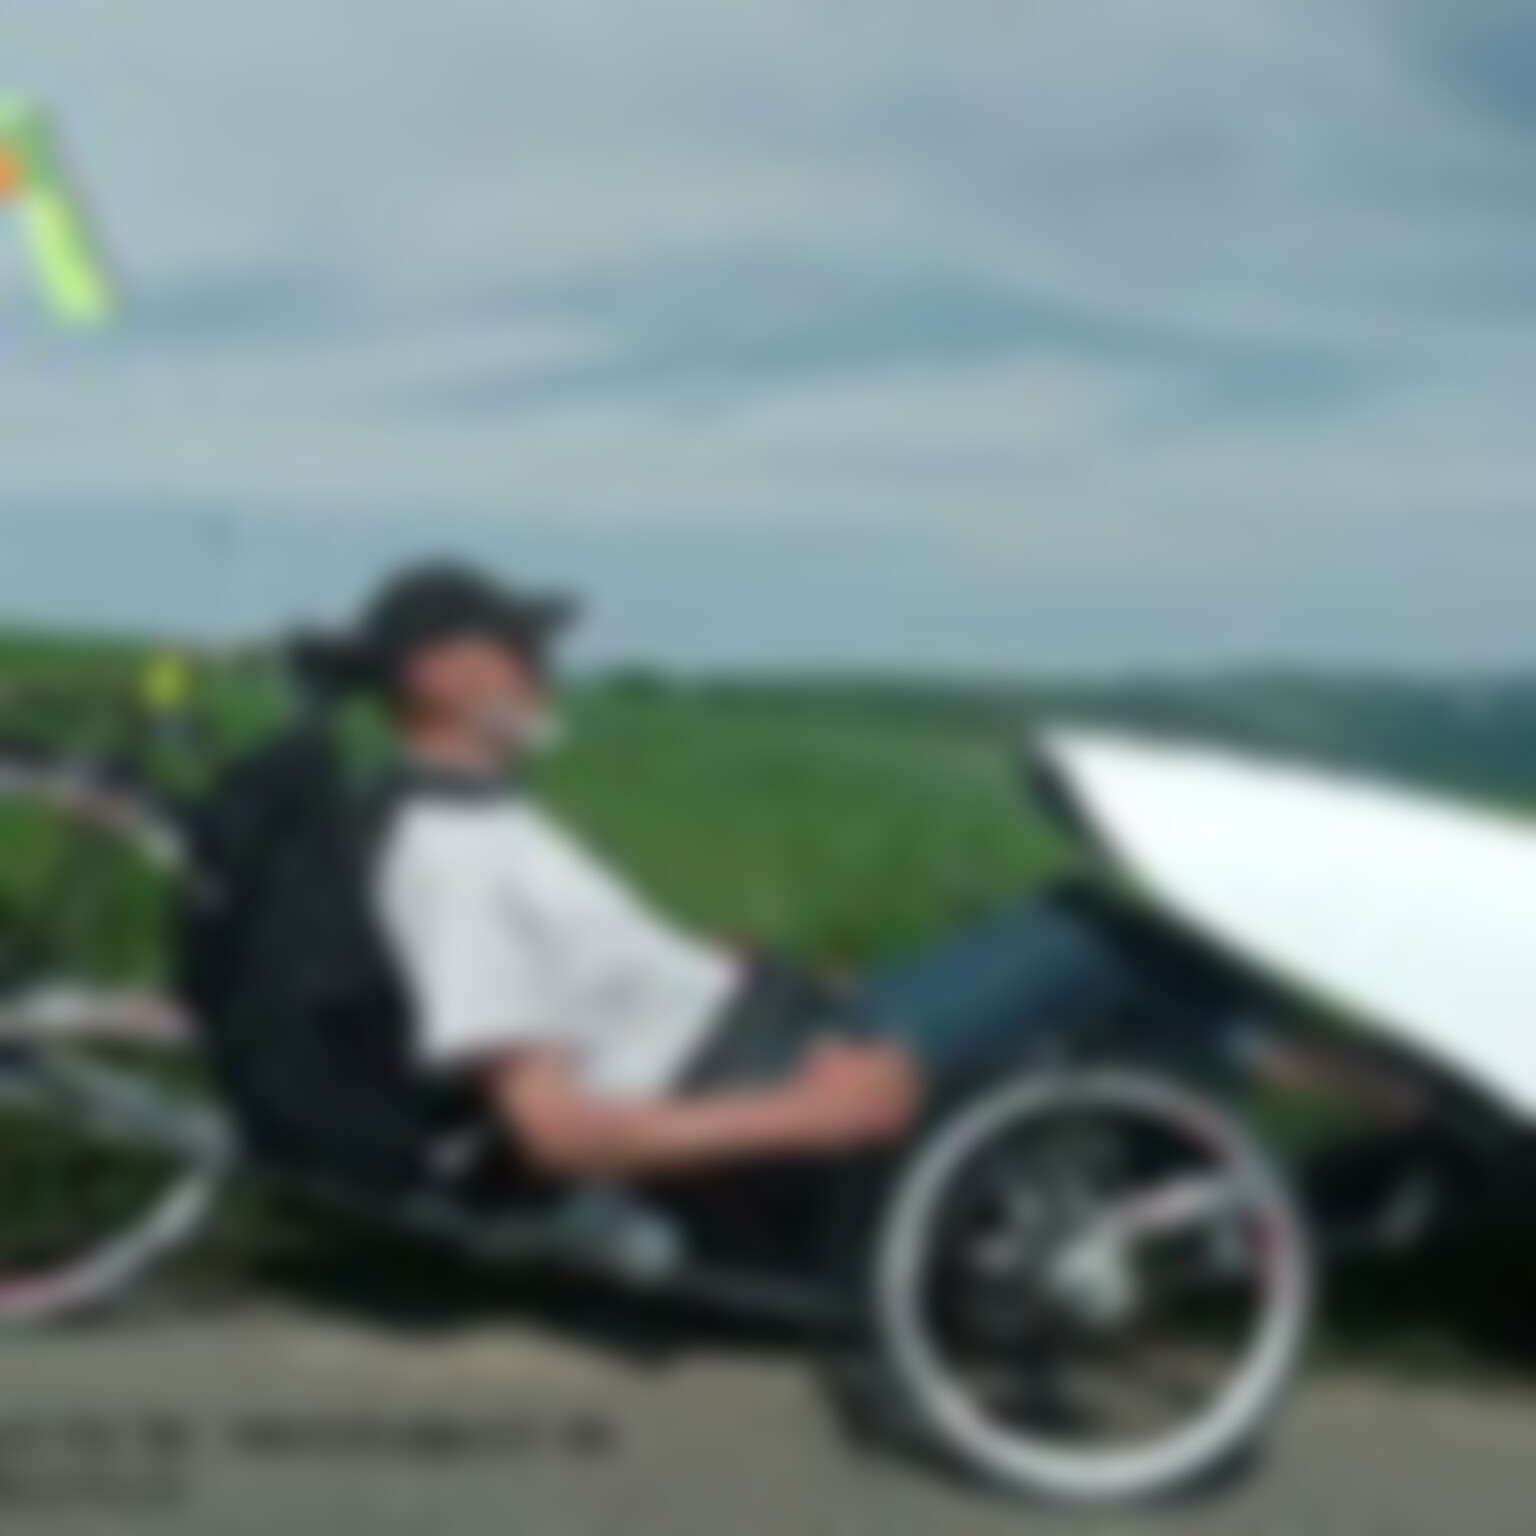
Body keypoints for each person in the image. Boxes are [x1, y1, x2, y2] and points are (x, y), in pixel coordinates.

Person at [350, 562, 1146, 1188]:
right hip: (767, 1077)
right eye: (517, 651)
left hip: (767, 1029)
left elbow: (572, 987)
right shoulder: (448, 858)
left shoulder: (476, 817)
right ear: (434, 676)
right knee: (1098, 934)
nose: (543, 670)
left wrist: (693, 968)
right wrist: (811, 1114)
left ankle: (1179, 1172)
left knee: (1078, 926)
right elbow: (557, 1132)